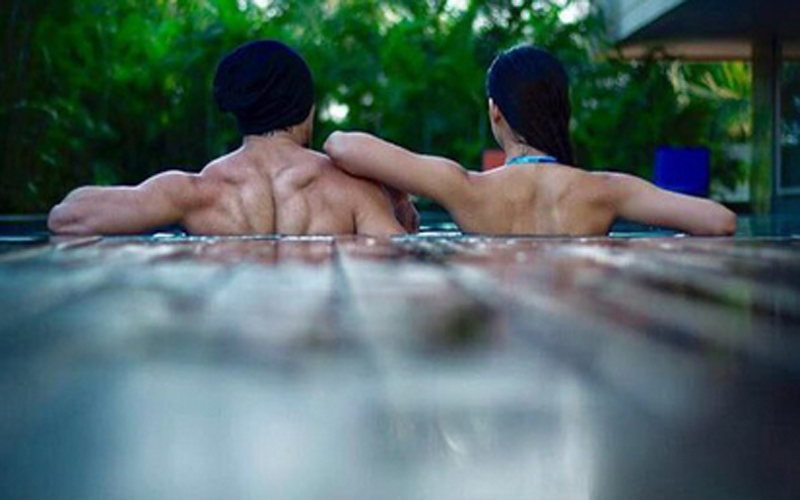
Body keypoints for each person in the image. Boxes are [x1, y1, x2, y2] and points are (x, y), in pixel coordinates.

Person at [323, 45, 737, 236]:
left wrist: (398, 193)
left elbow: (341, 145)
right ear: (563, 111)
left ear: (495, 112)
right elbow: (721, 221)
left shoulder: (465, 189)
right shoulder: (607, 190)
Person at [48, 40, 413, 236]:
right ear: (307, 109)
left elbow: (66, 218)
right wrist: (395, 197)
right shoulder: (353, 192)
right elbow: (405, 255)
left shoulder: (194, 192)